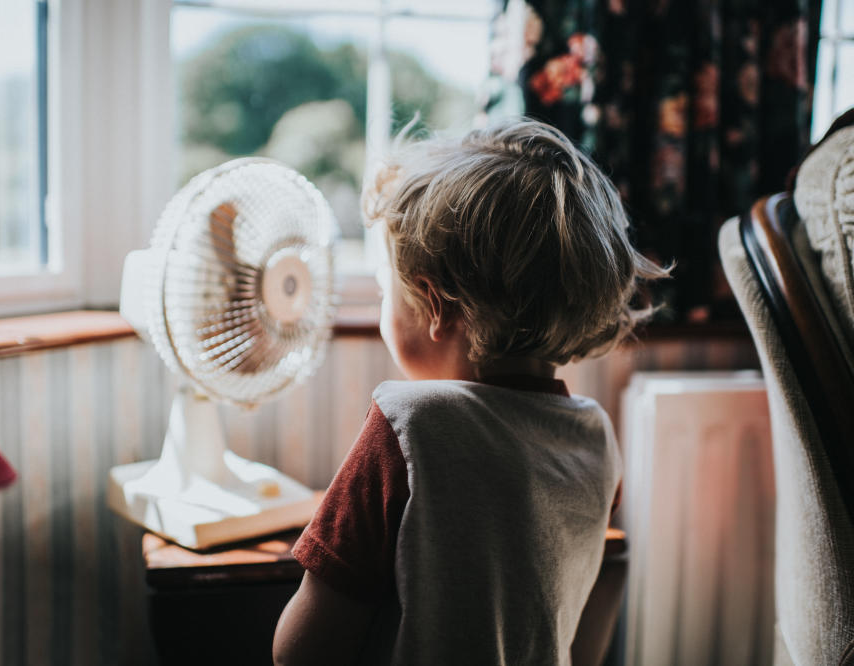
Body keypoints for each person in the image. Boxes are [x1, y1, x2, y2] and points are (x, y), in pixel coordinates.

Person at [272, 119, 669, 665]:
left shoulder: (409, 424)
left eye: (388, 291)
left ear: (434, 305)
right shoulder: (594, 436)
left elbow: (302, 651)